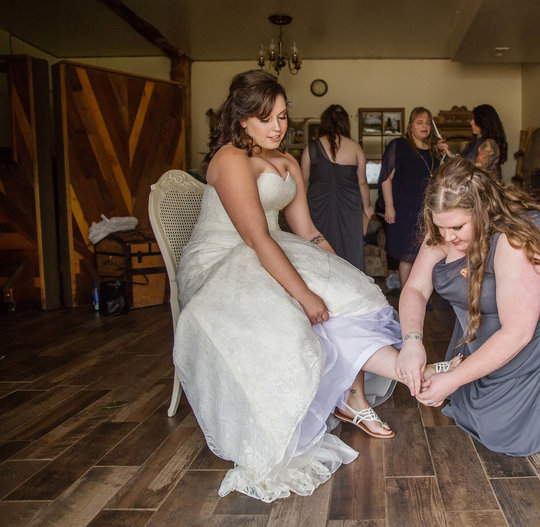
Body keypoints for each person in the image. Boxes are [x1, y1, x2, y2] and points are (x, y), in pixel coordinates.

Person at [173, 71, 450, 502]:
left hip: (272, 246)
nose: (277, 127)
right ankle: (405, 378)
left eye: (282, 117)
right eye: (265, 119)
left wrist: (339, 267)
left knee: (351, 293)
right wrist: (304, 293)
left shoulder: (285, 161)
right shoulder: (228, 159)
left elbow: (306, 231)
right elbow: (255, 237)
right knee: (301, 309)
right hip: (224, 259)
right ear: (243, 119)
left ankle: (367, 391)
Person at [395, 157, 540, 456]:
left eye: (457, 227)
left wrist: (452, 379)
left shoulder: (516, 240)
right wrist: (412, 341)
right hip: (498, 324)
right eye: (441, 229)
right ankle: (528, 400)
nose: (448, 238)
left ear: (484, 209)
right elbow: (415, 288)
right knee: (466, 403)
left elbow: (518, 332)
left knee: (503, 428)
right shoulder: (445, 227)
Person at [301, 104, 372, 271]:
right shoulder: (355, 148)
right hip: (350, 207)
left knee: (318, 248)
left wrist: (302, 210)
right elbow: (362, 181)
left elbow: (303, 182)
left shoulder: (310, 149)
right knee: (350, 248)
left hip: (317, 205)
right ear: (346, 123)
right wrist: (367, 207)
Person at [378, 107, 440, 288]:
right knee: (407, 255)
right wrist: (389, 207)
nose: (425, 126)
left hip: (427, 210)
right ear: (410, 126)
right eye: (419, 122)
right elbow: (385, 179)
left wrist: (444, 152)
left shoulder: (434, 150)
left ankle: (423, 295)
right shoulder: (399, 145)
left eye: (428, 123)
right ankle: (407, 294)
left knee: (427, 253)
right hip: (404, 209)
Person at [437, 104, 508, 181]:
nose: (471, 122)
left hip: (484, 190)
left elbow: (475, 167)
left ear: (483, 122)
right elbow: (461, 164)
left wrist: (451, 155)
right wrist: (445, 153)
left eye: (474, 119)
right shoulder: (474, 143)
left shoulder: (490, 144)